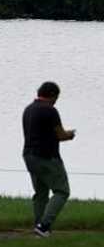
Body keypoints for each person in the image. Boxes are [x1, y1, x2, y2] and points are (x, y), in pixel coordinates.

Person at [22, 81, 76, 237]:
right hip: (47, 157)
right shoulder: (50, 111)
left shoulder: (28, 109)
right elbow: (60, 135)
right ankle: (44, 225)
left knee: (40, 193)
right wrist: (70, 135)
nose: (56, 101)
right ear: (52, 95)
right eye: (56, 97)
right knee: (62, 191)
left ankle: (38, 226)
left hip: (29, 156)